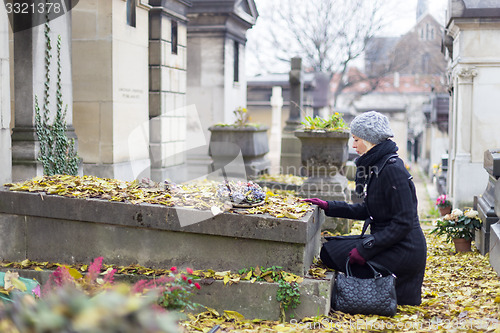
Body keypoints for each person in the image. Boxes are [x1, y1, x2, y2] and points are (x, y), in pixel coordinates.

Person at [303, 111, 427, 306]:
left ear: (370, 140)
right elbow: (370, 210)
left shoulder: (392, 169)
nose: (353, 146)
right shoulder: (381, 165)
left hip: (404, 249)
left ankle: (385, 286)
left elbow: (403, 223)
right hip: (391, 241)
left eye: (356, 139)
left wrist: (366, 249)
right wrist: (328, 206)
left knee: (333, 253)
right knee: (329, 248)